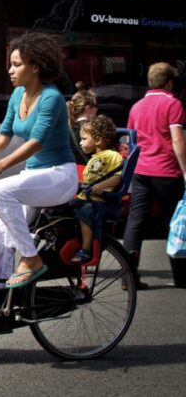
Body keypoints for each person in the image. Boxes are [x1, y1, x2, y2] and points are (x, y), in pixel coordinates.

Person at [0, 32, 78, 342]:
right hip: (35, 179)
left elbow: (37, 141)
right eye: (10, 65)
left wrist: (1, 166)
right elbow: (2, 137)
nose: (10, 71)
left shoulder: (52, 97)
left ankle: (32, 259)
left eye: (17, 65)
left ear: (36, 67)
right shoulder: (17, 97)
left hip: (59, 176)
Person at [123, 62, 186, 290]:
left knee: (135, 223)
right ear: (169, 82)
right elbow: (178, 139)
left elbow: (131, 142)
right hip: (167, 172)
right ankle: (181, 277)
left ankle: (128, 277)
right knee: (175, 223)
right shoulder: (173, 104)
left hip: (141, 172)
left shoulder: (136, 107)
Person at [68, 115, 123, 265]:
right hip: (85, 197)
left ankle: (85, 249)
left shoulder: (112, 156)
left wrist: (102, 186)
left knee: (86, 211)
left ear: (98, 140)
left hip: (100, 201)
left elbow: (117, 177)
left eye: (84, 139)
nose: (80, 143)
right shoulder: (93, 158)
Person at [66, 89, 98, 165]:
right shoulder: (89, 128)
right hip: (88, 172)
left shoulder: (66, 128)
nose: (97, 109)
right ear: (87, 108)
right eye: (95, 106)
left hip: (72, 171)